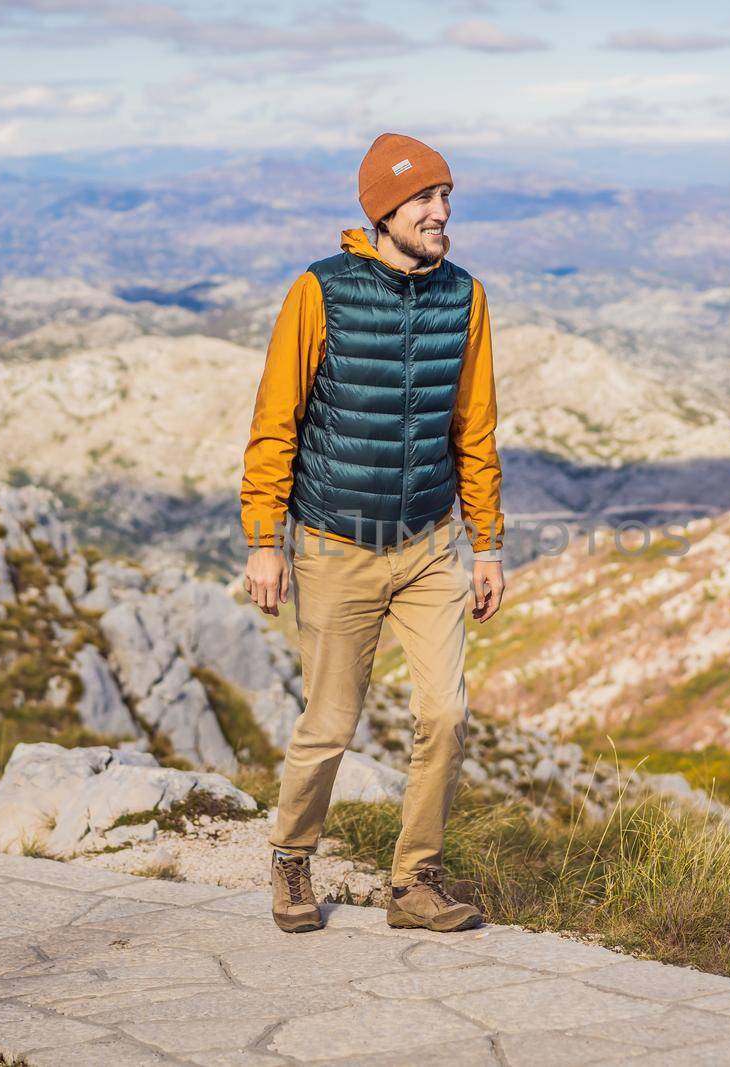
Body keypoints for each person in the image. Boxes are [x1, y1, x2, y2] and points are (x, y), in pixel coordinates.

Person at [239, 132, 506, 934]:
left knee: (448, 714)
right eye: (424, 198)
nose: (441, 210)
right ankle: (291, 858)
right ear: (384, 210)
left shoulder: (467, 295)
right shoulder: (319, 291)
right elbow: (275, 419)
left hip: (429, 545)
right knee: (329, 722)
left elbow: (476, 428)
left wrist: (486, 542)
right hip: (334, 544)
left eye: (446, 195)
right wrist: (264, 537)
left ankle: (414, 881)